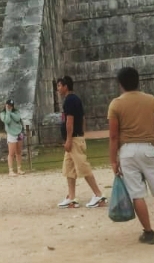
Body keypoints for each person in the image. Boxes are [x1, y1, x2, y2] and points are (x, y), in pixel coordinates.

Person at [108, 67, 154, 245]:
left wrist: (113, 160)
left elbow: (113, 136)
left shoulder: (115, 104)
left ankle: (148, 232)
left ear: (120, 84)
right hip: (148, 148)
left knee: (137, 194)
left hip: (127, 151)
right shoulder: (151, 101)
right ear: (138, 81)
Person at [55, 76, 106, 208]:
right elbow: (82, 118)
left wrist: (69, 139)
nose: (58, 89)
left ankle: (98, 194)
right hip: (76, 138)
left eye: (59, 86)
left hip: (73, 140)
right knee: (69, 168)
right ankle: (71, 197)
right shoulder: (75, 99)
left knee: (83, 166)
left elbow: (69, 122)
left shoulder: (69, 101)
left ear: (66, 86)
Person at [0, 99, 25, 176]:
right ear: (6, 105)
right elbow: (7, 121)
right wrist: (8, 112)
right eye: (8, 105)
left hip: (19, 132)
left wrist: (10, 112)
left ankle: (19, 168)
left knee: (19, 152)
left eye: (11, 105)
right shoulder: (2, 113)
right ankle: (10, 170)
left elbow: (17, 118)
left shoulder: (16, 111)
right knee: (11, 153)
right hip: (11, 134)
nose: (10, 107)